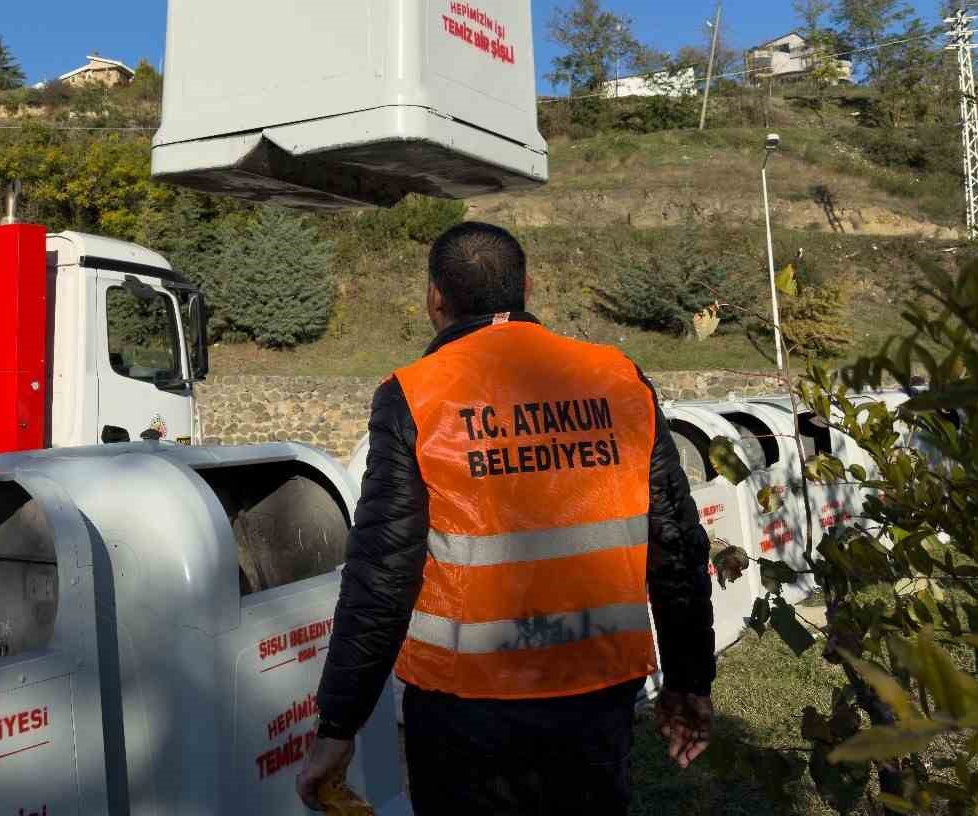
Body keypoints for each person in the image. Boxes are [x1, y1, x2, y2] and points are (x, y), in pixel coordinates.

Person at [296, 222, 716, 814]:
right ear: (527, 285)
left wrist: (339, 725)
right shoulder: (619, 378)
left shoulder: (415, 395)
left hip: (464, 712)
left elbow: (381, 575)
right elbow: (675, 543)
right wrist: (690, 680)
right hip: (596, 695)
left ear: (434, 298)